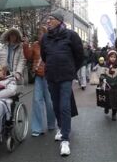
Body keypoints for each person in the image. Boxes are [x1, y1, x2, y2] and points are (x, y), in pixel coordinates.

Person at [41, 11, 84, 156]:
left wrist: (72, 69)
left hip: (66, 76)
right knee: (56, 104)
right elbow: (44, 56)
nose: (47, 22)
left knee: (64, 105)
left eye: (50, 19)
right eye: (47, 19)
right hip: (51, 75)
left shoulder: (71, 35)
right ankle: (61, 127)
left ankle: (65, 139)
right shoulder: (45, 38)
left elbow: (80, 56)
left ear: (59, 21)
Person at [23, 26, 56, 137]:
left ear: (46, 34)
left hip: (49, 76)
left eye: (41, 33)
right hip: (38, 76)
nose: (39, 35)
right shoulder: (35, 45)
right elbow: (28, 57)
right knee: (37, 100)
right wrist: (25, 44)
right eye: (38, 33)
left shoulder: (51, 44)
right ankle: (38, 128)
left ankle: (51, 123)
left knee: (50, 102)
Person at [100, 50, 117, 120]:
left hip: (116, 86)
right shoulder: (105, 66)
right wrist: (103, 78)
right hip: (107, 86)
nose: (113, 58)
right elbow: (102, 74)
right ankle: (106, 107)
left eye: (114, 57)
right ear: (108, 57)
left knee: (115, 100)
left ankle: (114, 113)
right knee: (107, 99)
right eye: (111, 57)